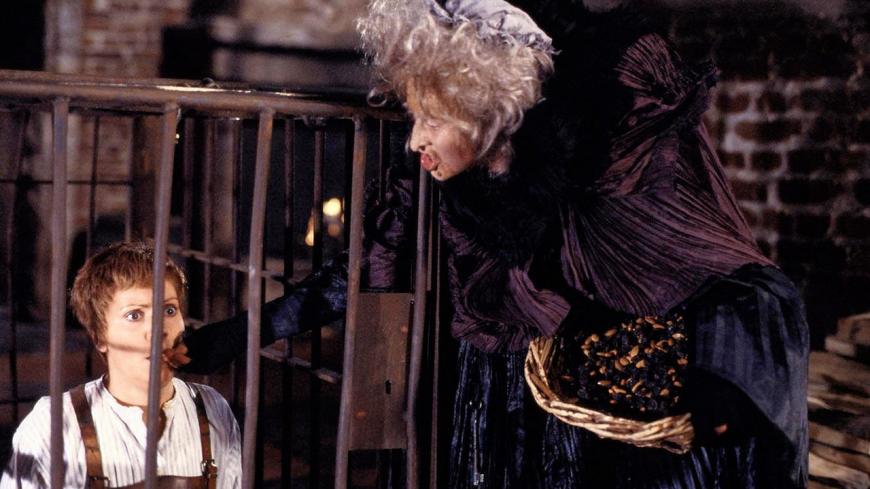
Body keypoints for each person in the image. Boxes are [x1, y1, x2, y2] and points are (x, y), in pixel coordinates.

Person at [182, 0, 809, 487]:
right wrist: (235, 334)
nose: (413, 139)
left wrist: (718, 383)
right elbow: (355, 273)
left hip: (577, 421)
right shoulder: (432, 187)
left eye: (432, 119)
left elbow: (715, 270)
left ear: (483, 112)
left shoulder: (593, 171)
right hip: (482, 409)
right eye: (414, 117)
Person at [0, 241, 241, 489]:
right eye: (134, 315)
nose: (158, 330)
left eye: (169, 310)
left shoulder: (211, 409)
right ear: (100, 337)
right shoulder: (55, 425)